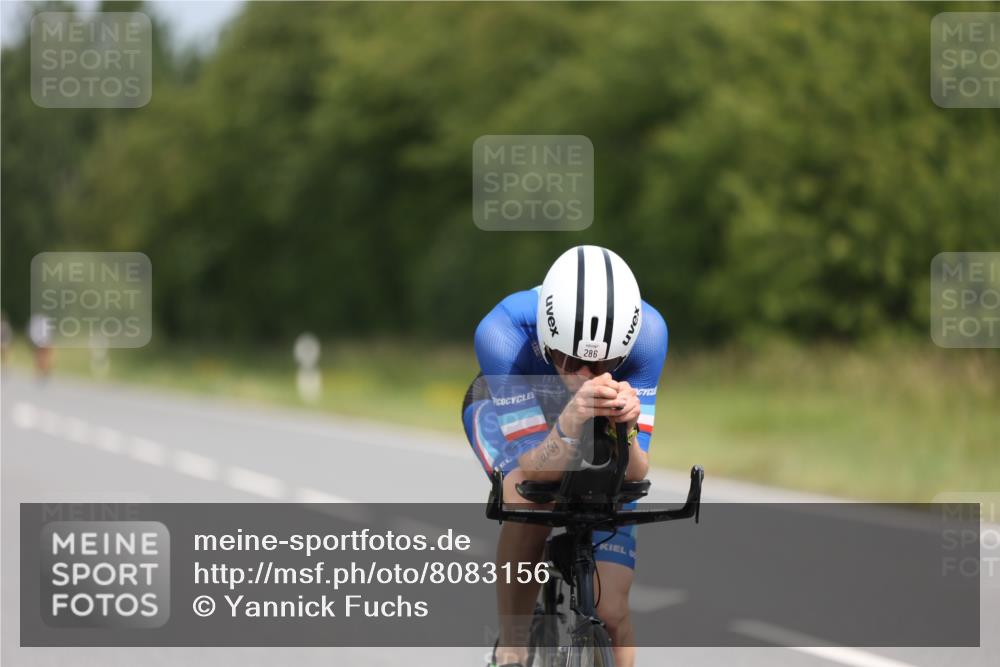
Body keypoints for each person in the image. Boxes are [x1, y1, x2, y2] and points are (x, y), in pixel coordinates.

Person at [462, 245, 667, 667]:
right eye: (570, 360)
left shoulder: (649, 334)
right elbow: (534, 466)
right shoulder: (502, 331)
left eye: (605, 364)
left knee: (611, 612)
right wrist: (571, 419)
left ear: (624, 351)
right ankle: (512, 649)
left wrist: (626, 431)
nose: (584, 376)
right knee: (529, 499)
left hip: (593, 425)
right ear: (548, 339)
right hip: (508, 408)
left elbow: (636, 473)